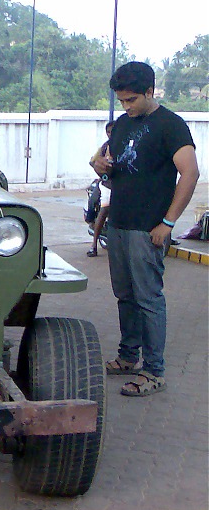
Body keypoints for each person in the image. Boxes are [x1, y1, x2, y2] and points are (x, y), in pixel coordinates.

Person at [92, 61, 199, 397]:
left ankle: (154, 371)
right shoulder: (123, 125)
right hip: (120, 225)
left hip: (147, 229)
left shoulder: (171, 126)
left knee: (149, 299)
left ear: (151, 92)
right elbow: (115, 175)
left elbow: (191, 174)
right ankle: (128, 356)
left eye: (132, 100)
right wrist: (100, 167)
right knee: (125, 296)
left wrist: (167, 224)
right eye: (122, 101)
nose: (127, 106)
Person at [87, 121, 114, 256]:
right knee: (105, 209)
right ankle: (93, 245)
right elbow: (93, 162)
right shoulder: (105, 147)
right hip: (108, 184)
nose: (111, 134)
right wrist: (102, 175)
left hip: (122, 185)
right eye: (108, 132)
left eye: (113, 131)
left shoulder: (126, 145)